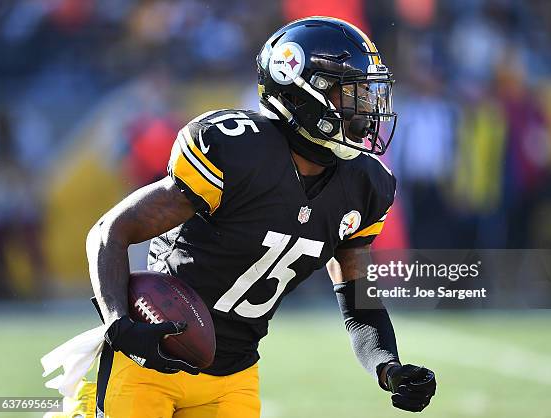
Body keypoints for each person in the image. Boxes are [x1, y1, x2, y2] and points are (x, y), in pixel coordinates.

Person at [88, 17, 436, 418]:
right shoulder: (237, 151)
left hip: (235, 377)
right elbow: (110, 231)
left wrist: (387, 367)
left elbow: (359, 300)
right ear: (304, 92)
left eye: (368, 95)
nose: (367, 110)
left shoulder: (365, 185)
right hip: (149, 362)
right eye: (352, 95)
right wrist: (118, 323)